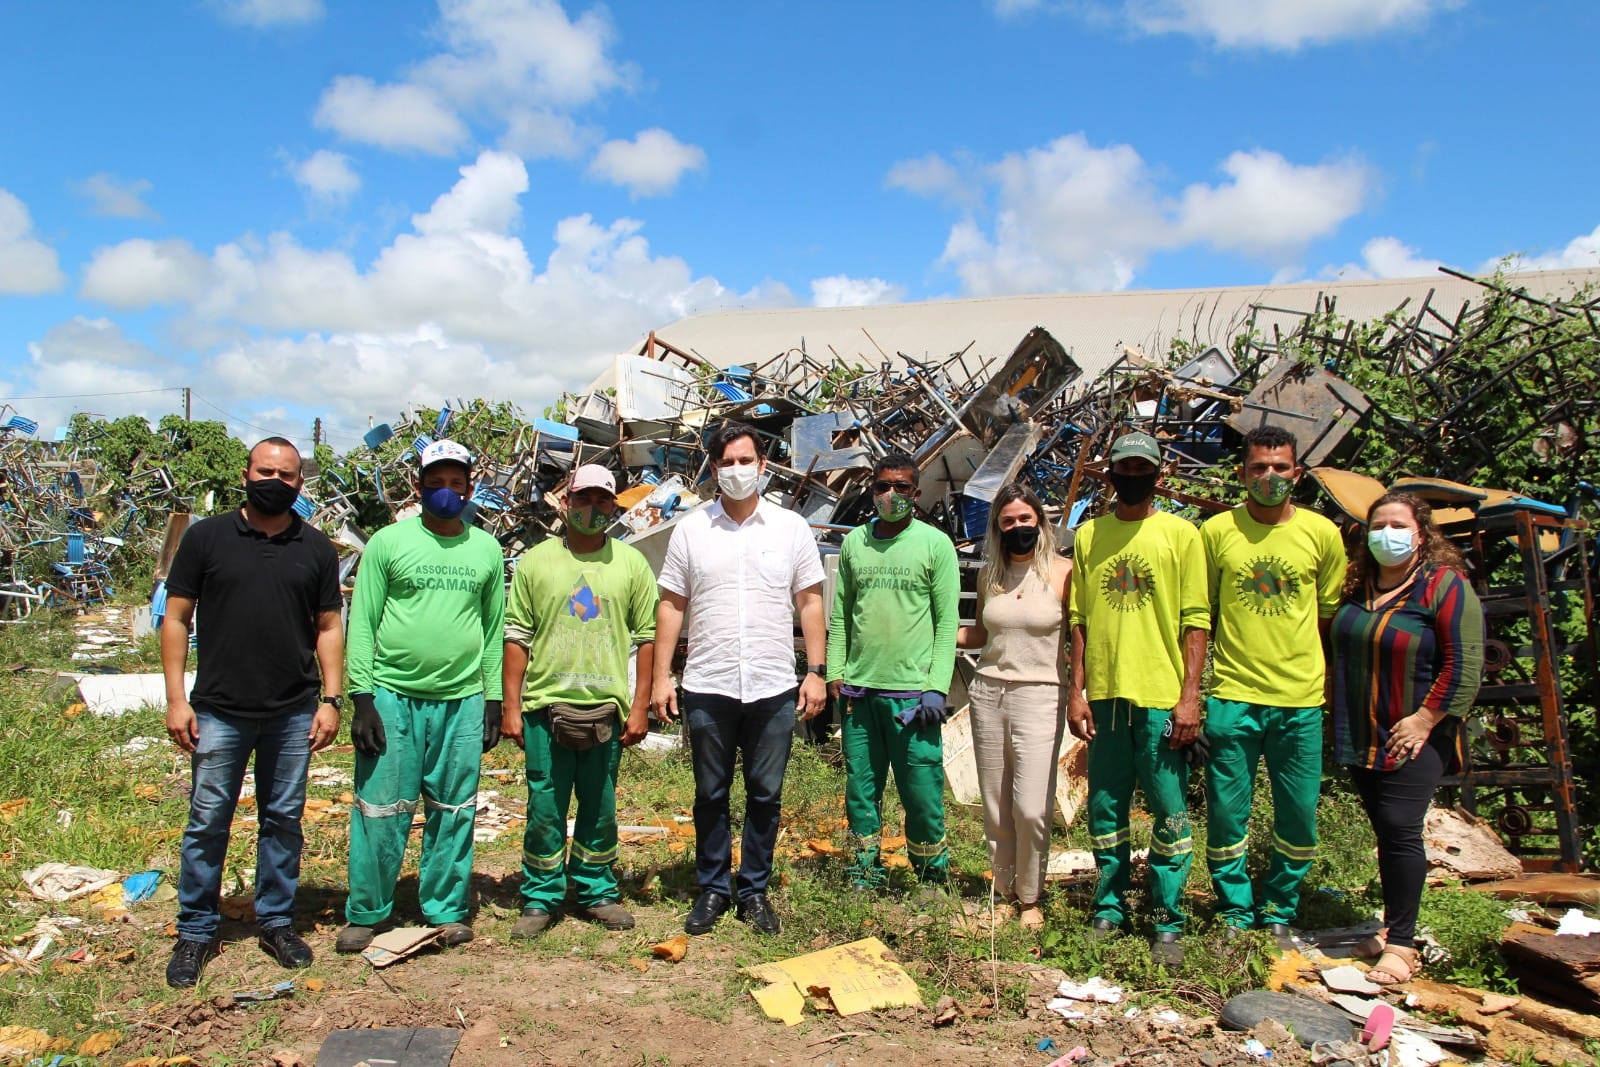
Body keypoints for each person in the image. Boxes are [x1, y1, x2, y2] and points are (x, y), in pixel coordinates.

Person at [161, 437, 344, 988]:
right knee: (207, 822)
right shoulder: (206, 538)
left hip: (292, 711)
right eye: (266, 471)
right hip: (219, 709)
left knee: (283, 821)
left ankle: (277, 922)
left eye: (287, 475)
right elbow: (175, 618)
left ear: (300, 484)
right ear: (247, 473)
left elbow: (330, 627)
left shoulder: (315, 548)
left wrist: (331, 700)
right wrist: (176, 698)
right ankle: (196, 930)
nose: (275, 481)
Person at [652, 422, 828, 936]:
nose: (736, 471)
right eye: (726, 463)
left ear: (763, 466)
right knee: (710, 793)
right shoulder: (691, 530)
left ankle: (753, 889)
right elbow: (672, 605)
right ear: (713, 469)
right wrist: (664, 676)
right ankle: (712, 887)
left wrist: (815, 673)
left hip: (773, 684)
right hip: (709, 683)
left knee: (765, 793)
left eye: (745, 461)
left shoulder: (791, 528)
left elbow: (811, 602)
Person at [337, 440, 506, 953]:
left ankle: (446, 909)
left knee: (454, 808)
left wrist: (494, 700)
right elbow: (362, 622)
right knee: (381, 807)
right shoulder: (388, 543)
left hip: (462, 700)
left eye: (457, 483)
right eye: (437, 482)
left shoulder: (487, 549)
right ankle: (368, 912)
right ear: (418, 487)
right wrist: (361, 698)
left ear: (471, 489)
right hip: (392, 696)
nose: (447, 492)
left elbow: (493, 628)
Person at [1067, 430, 1208, 968]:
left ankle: (1167, 918)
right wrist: (1077, 692)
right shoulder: (1089, 536)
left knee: (1169, 809)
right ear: (1110, 475)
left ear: (1158, 475)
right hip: (1105, 696)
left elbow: (1196, 620)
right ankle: (1109, 906)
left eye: (1141, 469)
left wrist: (1189, 696)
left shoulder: (1181, 535)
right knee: (1106, 806)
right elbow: (1079, 620)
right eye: (1123, 469)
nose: (1132, 478)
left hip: (1160, 696)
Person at [1329, 491, 1483, 985]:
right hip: (1363, 731)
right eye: (1378, 526)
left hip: (1415, 734)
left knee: (1399, 826)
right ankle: (1392, 922)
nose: (1386, 535)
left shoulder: (1443, 586)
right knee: (1385, 829)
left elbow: (1466, 662)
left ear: (1421, 534)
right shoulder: (1360, 586)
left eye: (1398, 525)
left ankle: (1401, 944)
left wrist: (1425, 718)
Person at [1201, 426, 1346, 942]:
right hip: (1233, 696)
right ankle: (1236, 911)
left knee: (1300, 815)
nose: (1269, 477)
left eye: (1280, 468)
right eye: (1259, 467)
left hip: (1299, 700)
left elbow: (1326, 613)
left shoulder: (1321, 534)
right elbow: (1203, 612)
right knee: (1225, 814)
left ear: (1297, 474)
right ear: (1242, 473)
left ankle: (1280, 908)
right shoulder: (1217, 532)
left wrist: (1313, 673)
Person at [501, 464, 658, 938]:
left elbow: (647, 638)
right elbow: (516, 638)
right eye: (583, 499)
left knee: (599, 805)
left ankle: (596, 890)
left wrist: (639, 706)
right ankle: (540, 895)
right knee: (544, 806)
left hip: (605, 709)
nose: (593, 509)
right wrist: (511, 708)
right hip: (545, 708)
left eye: (603, 500)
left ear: (614, 506)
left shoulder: (630, 564)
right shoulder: (536, 563)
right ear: (566, 503)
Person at [828, 451, 960, 891]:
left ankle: (930, 877)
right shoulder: (854, 544)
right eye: (883, 486)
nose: (890, 495)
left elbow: (947, 624)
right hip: (860, 693)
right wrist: (835, 674)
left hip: (912, 697)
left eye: (900, 487)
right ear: (872, 490)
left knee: (921, 792)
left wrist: (935, 687)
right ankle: (864, 871)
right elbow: (841, 617)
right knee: (861, 789)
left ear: (916, 493)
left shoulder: (934, 545)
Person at [957, 483, 1071, 929]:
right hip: (987, 692)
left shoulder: (1063, 573)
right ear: (998, 528)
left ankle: (1032, 896)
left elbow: (1076, 639)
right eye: (1009, 522)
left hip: (1041, 694)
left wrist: (1080, 689)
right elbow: (982, 637)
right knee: (995, 801)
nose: (1018, 527)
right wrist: (931, 632)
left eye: (1025, 519)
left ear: (1040, 523)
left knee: (1031, 805)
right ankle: (1005, 893)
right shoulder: (991, 574)